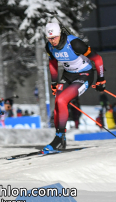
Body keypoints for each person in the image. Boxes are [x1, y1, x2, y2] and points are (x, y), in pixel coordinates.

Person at [43, 22, 106, 153]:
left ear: (59, 34)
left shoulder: (74, 43)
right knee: (57, 104)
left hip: (84, 74)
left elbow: (97, 58)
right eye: (49, 38)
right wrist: (54, 83)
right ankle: (61, 138)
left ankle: (58, 139)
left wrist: (101, 79)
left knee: (62, 100)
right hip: (68, 75)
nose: (52, 41)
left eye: (54, 37)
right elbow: (53, 65)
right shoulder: (49, 46)